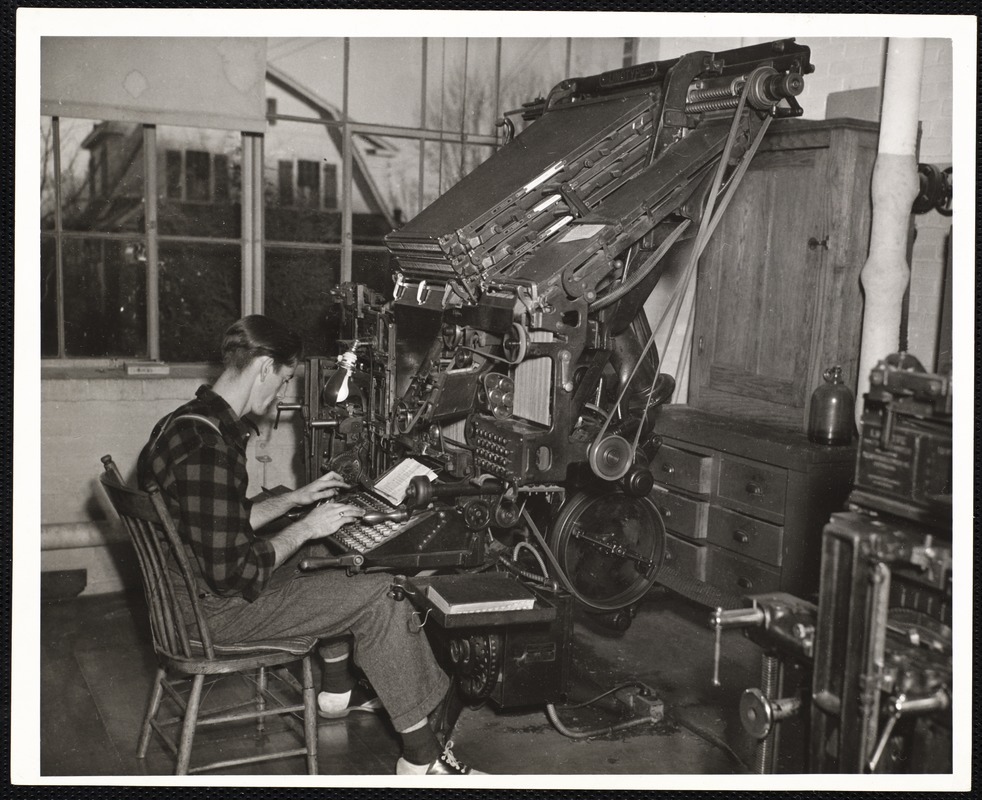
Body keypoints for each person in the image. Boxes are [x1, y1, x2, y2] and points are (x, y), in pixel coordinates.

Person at [138, 315, 483, 776]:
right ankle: (423, 758)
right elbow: (232, 574)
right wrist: (304, 527)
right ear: (263, 366)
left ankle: (337, 691)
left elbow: (212, 521)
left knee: (322, 557)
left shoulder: (182, 425)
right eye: (282, 381)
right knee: (384, 594)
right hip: (211, 613)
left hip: (186, 598)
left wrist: (294, 502)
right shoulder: (207, 445)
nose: (281, 396)